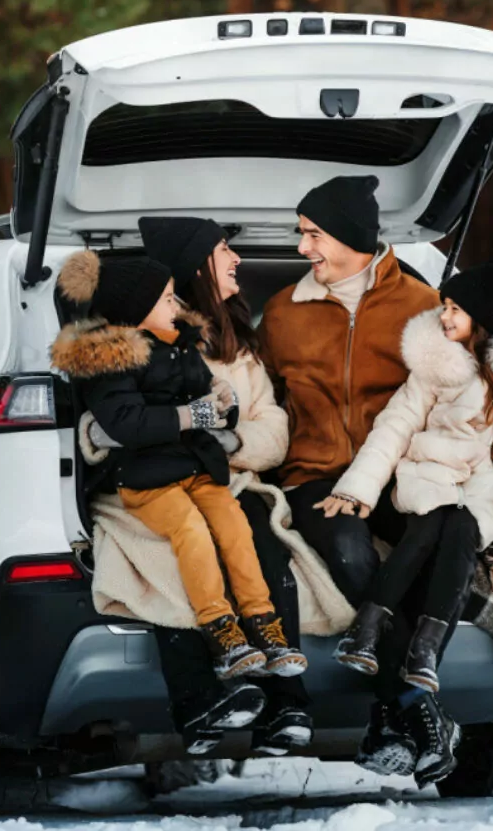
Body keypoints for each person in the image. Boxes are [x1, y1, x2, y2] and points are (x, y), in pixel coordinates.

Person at [258, 175, 493, 782]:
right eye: (302, 235)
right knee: (352, 552)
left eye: (313, 236)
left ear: (354, 238)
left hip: (406, 473)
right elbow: (265, 403)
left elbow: (478, 386)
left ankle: (394, 712)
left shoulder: (424, 307)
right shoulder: (280, 314)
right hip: (316, 475)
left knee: (431, 546)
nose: (302, 249)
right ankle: (417, 706)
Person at [331, 256, 493, 785]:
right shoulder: (433, 367)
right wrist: (357, 489)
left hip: (484, 493)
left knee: (459, 527)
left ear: (482, 318)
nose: (443, 317)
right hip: (423, 480)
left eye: (454, 309)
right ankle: (401, 646)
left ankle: (391, 638)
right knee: (434, 521)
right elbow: (393, 429)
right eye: (444, 307)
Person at [82, 217, 319, 756]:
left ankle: (285, 698)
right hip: (150, 479)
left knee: (258, 542)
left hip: (223, 475)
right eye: (223, 249)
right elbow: (107, 417)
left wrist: (227, 443)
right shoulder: (140, 338)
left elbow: (271, 424)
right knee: (173, 548)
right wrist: (122, 433)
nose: (236, 259)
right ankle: (201, 698)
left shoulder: (235, 340)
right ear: (194, 268)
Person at [51, 248, 308, 684]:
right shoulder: (109, 361)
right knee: (190, 531)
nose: (178, 305)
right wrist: (194, 416)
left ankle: (264, 623)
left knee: (234, 524)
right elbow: (126, 422)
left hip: (197, 468)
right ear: (136, 312)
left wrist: (225, 403)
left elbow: (209, 400)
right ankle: (220, 629)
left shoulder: (181, 346)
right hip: (147, 480)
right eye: (168, 299)